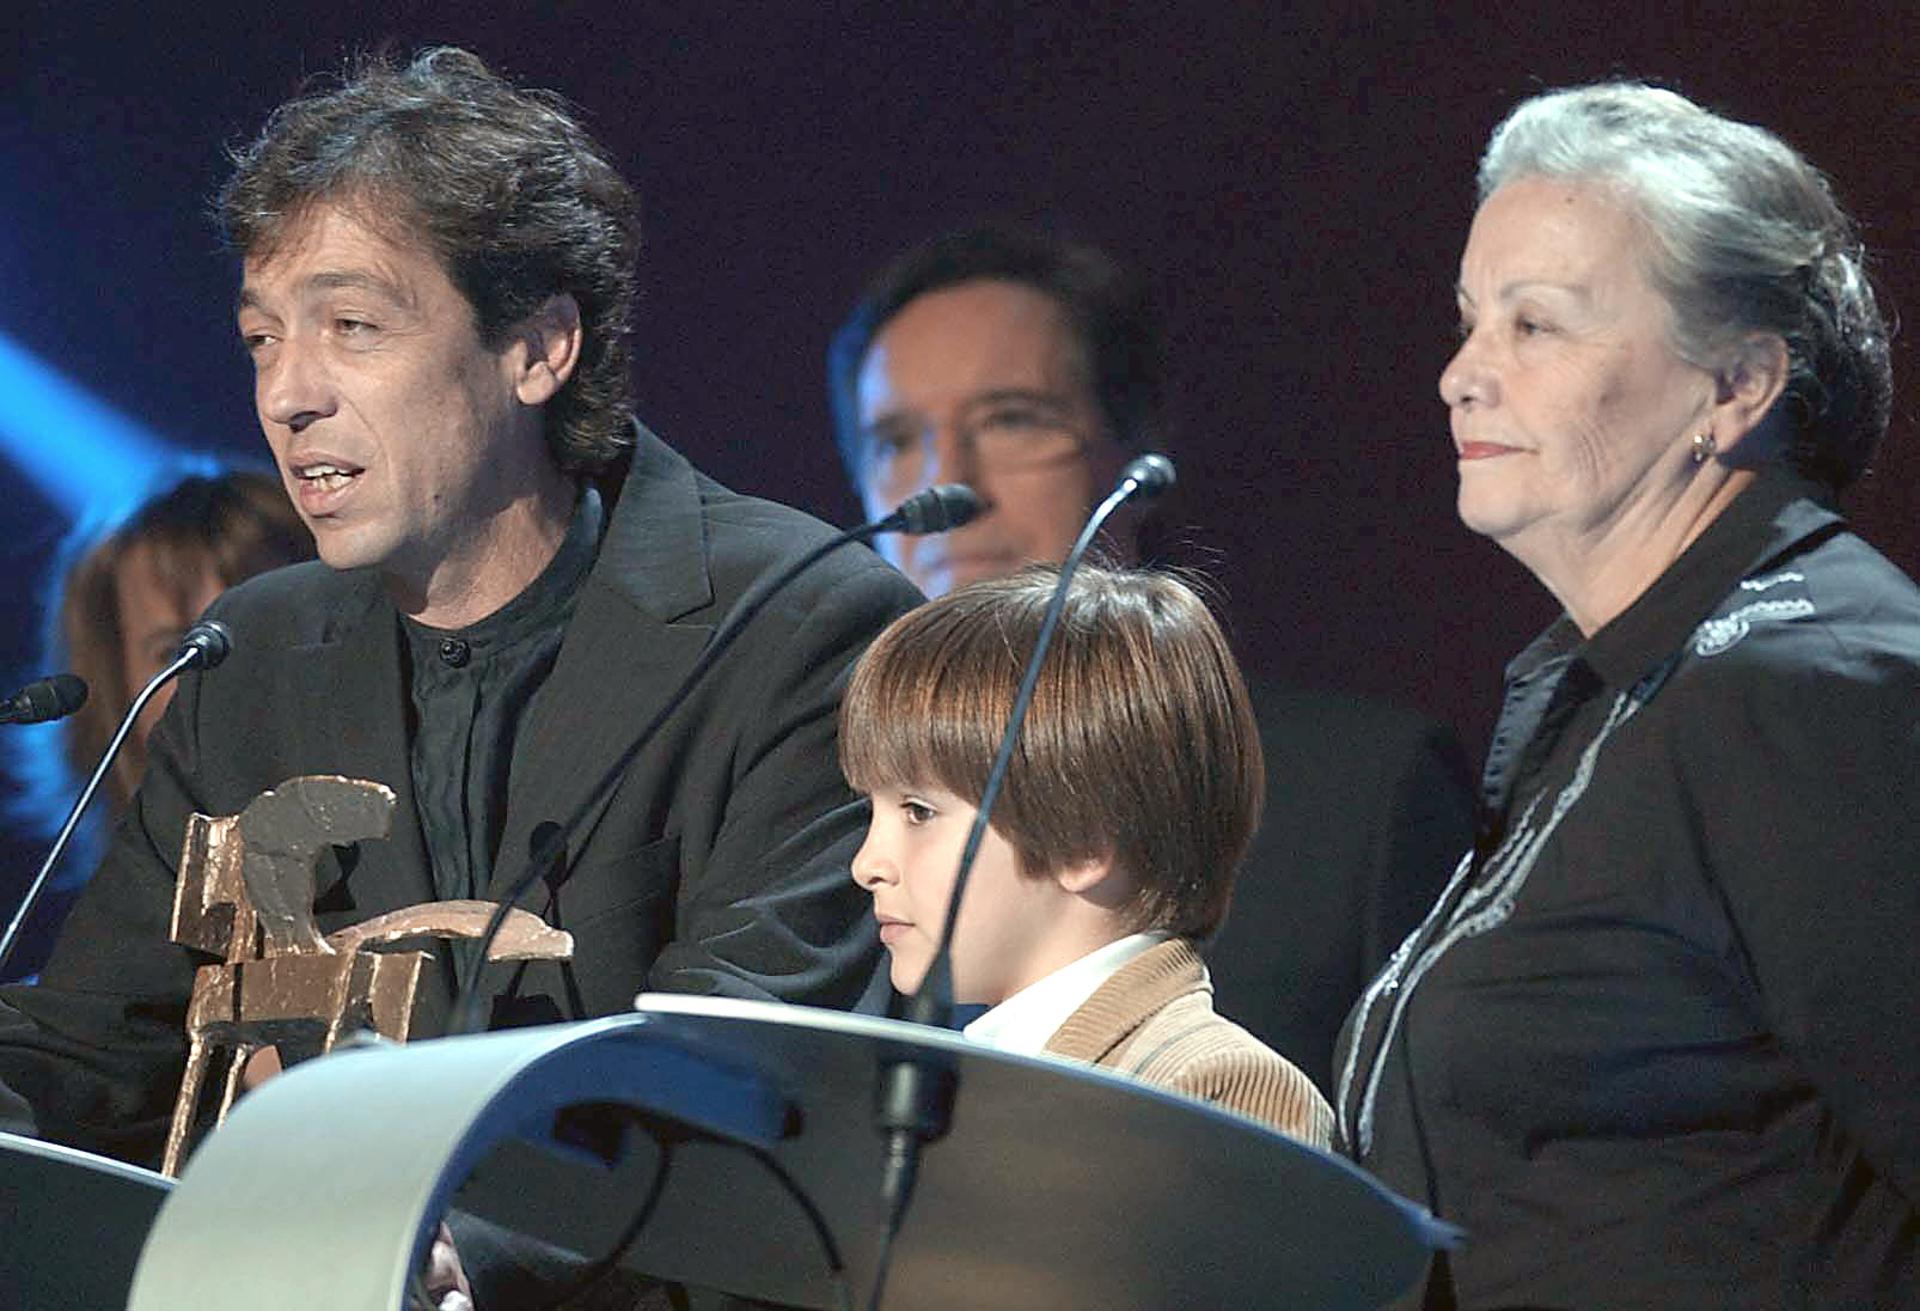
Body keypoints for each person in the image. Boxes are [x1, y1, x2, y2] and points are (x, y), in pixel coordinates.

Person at [0, 47, 921, 1170]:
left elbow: (734, 1076)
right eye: (262, 338)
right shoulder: (251, 657)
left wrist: (445, 1234)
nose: (289, 394)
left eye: (352, 327)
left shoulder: (796, 626)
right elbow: (98, 1046)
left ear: (536, 347)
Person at [1335, 83, 1918, 1309]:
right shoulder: (1624, 690)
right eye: (1469, 321)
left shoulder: (1812, 695)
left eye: (1535, 326)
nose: (1461, 376)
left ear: (1736, 385)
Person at [829, 223, 1474, 1092]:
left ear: (1132, 447)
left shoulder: (1360, 793)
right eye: (896, 441)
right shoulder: (827, 821)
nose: (951, 484)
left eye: (1013, 419)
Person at [843, 563, 1333, 1144]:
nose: (867, 864)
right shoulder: (952, 1082)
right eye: (871, 810)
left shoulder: (1213, 1087)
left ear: (1082, 844)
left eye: (919, 812)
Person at [5, 465, 312, 897]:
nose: (229, 677)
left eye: (265, 631)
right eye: (181, 652)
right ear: (114, 689)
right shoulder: (104, 954)